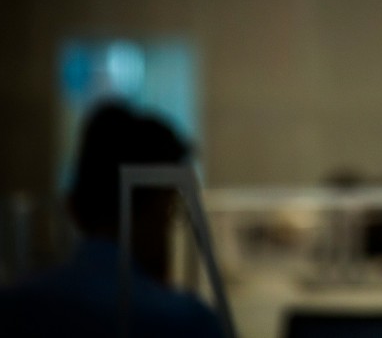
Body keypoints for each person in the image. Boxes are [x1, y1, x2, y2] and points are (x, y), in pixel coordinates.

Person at [0, 100, 223, 337]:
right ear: (159, 207)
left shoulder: (14, 306)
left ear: (74, 208)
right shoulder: (184, 321)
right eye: (171, 210)